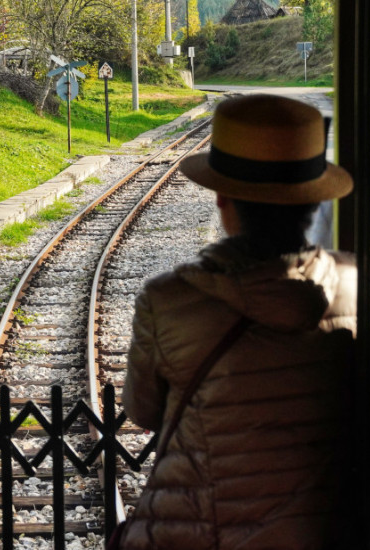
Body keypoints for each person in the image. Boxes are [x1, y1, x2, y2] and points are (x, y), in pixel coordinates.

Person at [119, 94, 355, 550]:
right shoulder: (363, 284)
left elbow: (142, 410)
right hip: (326, 532)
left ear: (223, 198)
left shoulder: (168, 302)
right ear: (313, 202)